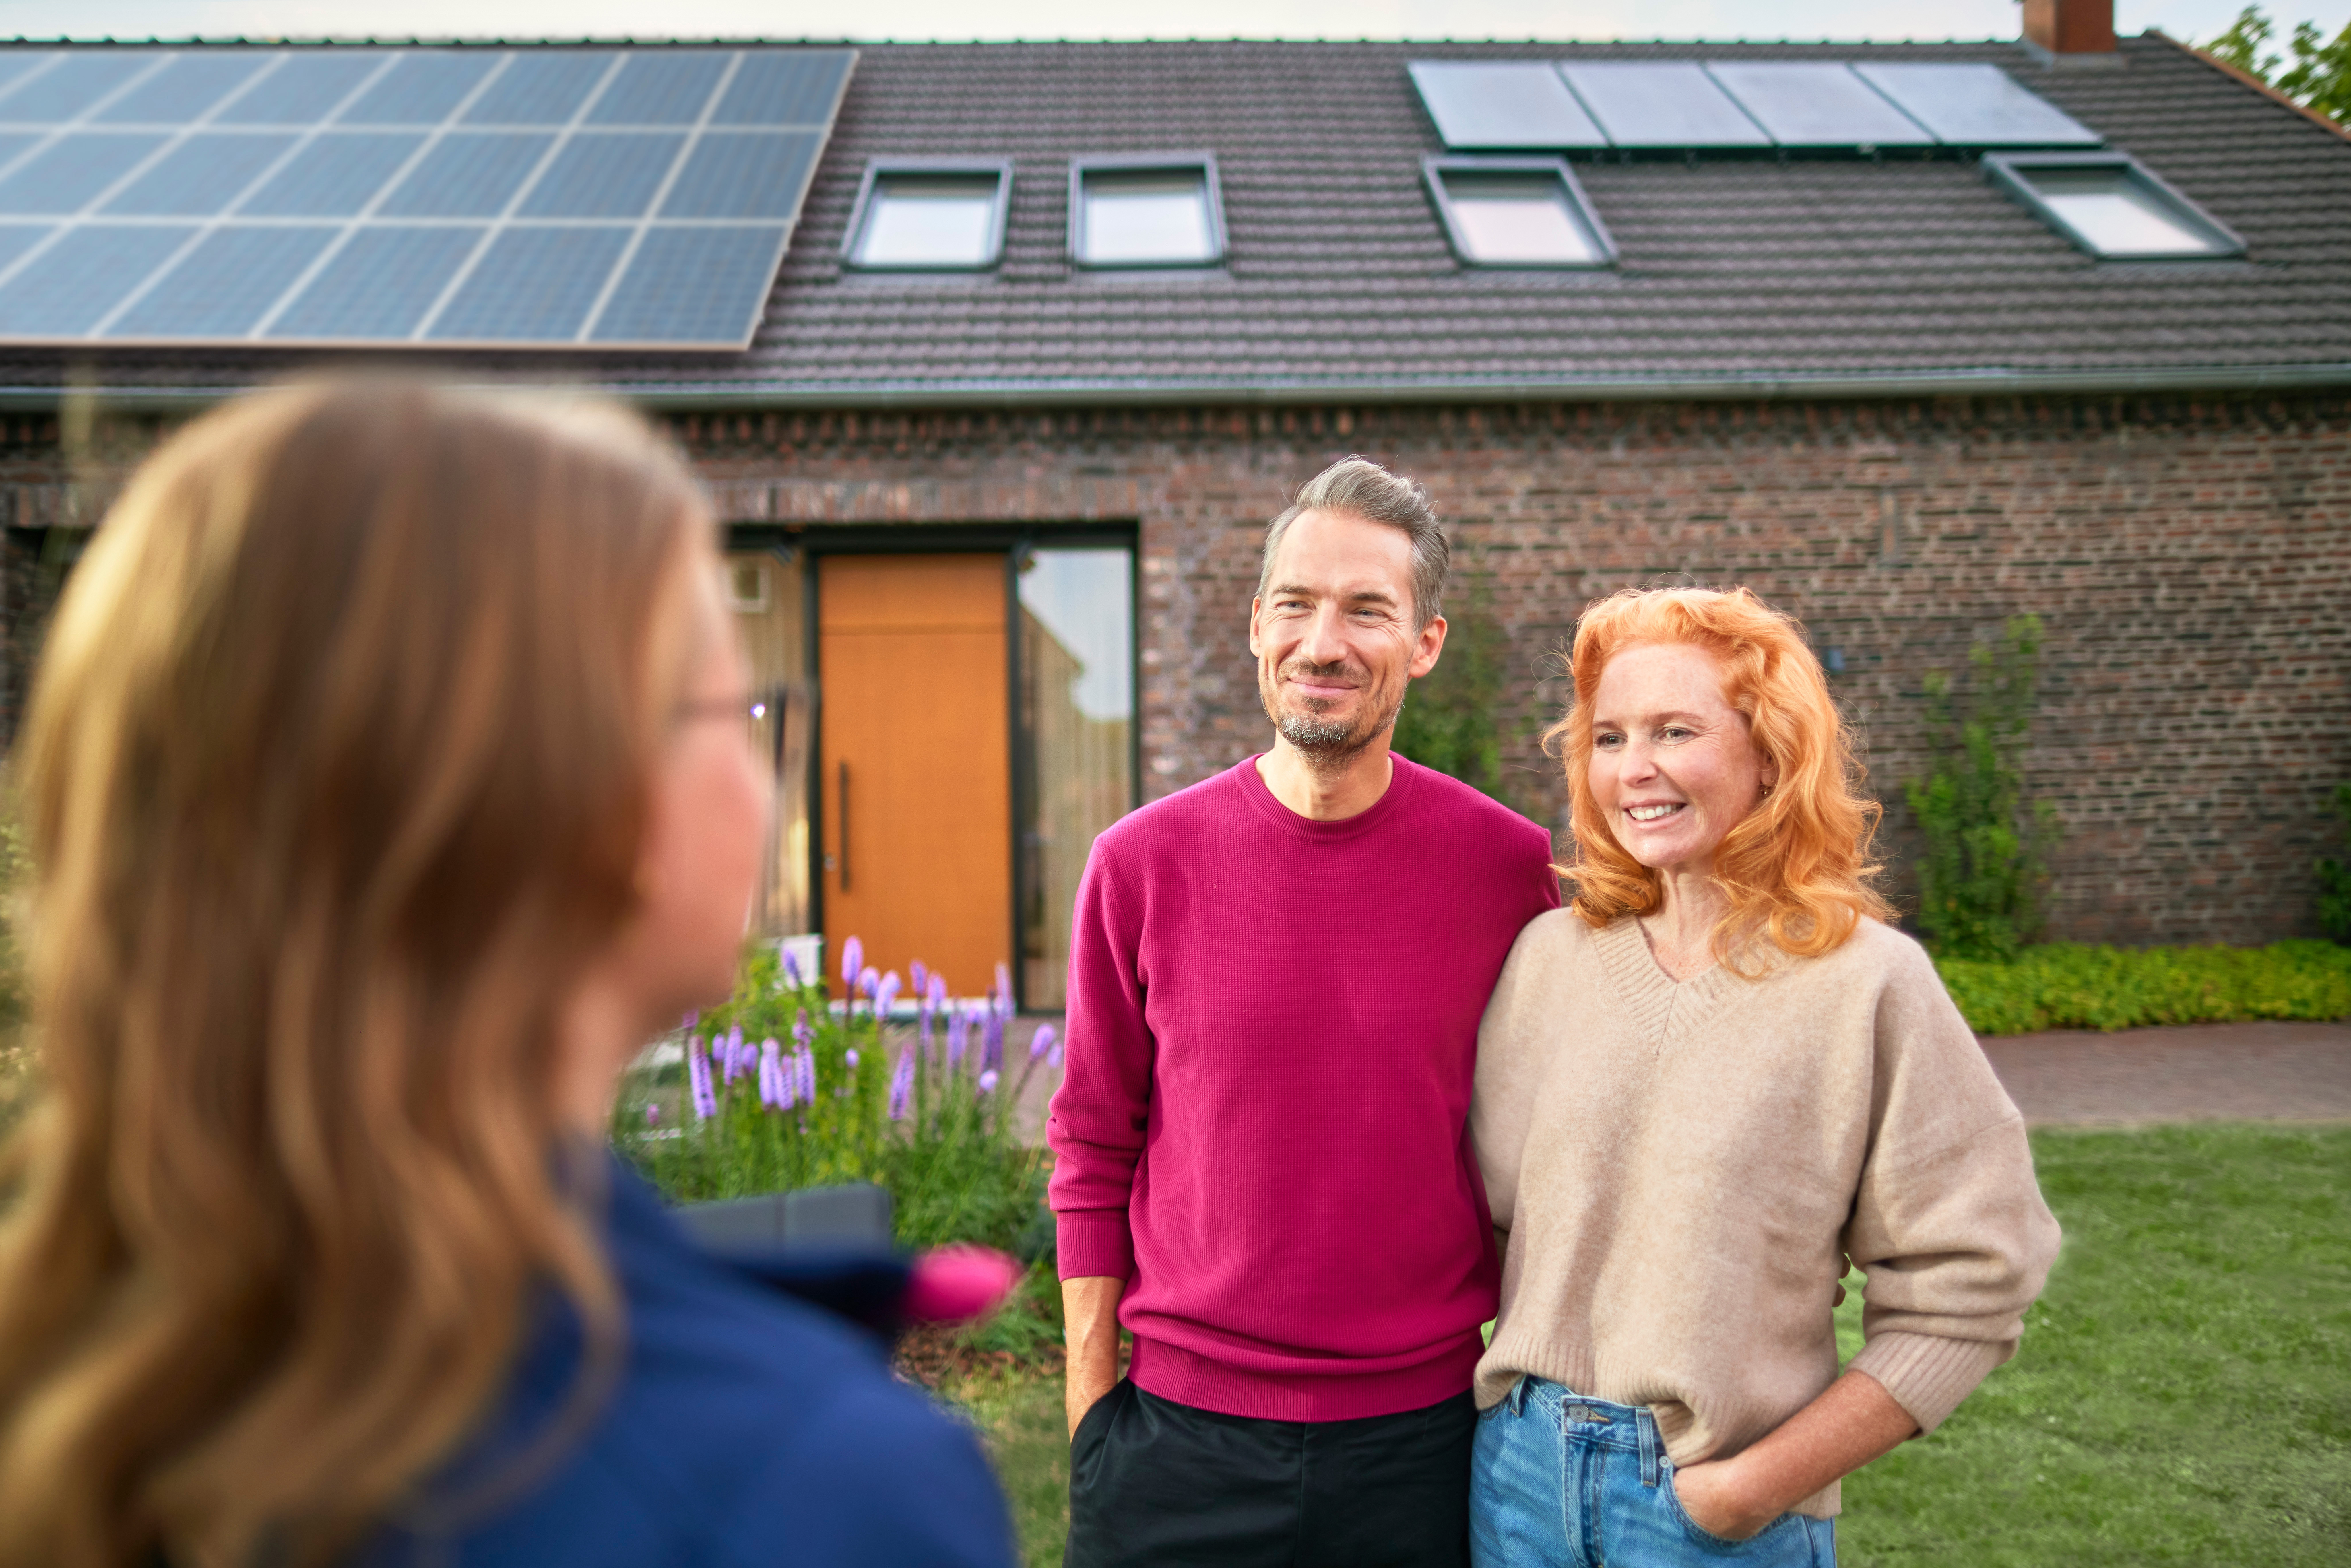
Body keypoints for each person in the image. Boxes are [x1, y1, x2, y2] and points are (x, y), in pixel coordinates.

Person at [0, 380, 1013, 1568]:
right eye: (733, 708)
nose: (765, 774)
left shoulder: (82, 1374)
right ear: (593, 807)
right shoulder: (813, 1486)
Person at [1469, 585, 2063, 1567]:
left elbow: (1975, 1281)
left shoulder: (1865, 984)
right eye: (1609, 738)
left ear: (1771, 755)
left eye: (1675, 731)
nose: (1637, 770)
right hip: (1513, 1484)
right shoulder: (1550, 959)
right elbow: (1473, 1225)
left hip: (1713, 1507)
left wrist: (1749, 1490)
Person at [1048, 457, 1561, 1568]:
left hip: (1421, 1452)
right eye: (1296, 604)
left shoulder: (1506, 870)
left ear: (1424, 643)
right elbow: (1092, 1142)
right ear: (1255, 624)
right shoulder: (1139, 865)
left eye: (1367, 610)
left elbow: (1547, 1147)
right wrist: (1093, 1414)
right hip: (1172, 1451)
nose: (1323, 643)